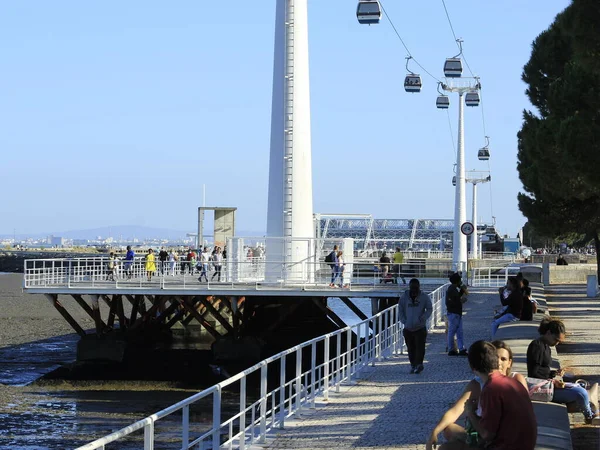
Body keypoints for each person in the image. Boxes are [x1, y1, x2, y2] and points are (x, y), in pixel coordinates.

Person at [426, 340, 528, 449]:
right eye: (496, 358)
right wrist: (435, 431)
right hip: (485, 434)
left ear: (510, 363)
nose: (498, 362)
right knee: (449, 429)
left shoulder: (515, 380)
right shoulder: (478, 383)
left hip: (498, 439)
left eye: (503, 359)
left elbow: (489, 434)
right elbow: (455, 410)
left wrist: (471, 412)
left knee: (448, 447)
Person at [463, 341, 537, 450]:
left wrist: (470, 413)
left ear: (473, 368)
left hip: (507, 446)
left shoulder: (491, 389)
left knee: (449, 447)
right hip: (527, 444)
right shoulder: (512, 382)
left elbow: (487, 435)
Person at [527, 318, 599, 423]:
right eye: (556, 340)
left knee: (580, 386)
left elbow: (542, 370)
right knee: (581, 393)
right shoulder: (537, 346)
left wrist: (553, 373)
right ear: (548, 333)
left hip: (547, 384)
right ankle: (590, 415)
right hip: (541, 388)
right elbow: (534, 373)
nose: (557, 344)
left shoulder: (546, 346)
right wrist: (552, 381)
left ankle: (591, 406)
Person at [398, 278, 432, 374]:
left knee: (420, 347)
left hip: (420, 327)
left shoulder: (424, 297)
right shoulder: (404, 297)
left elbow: (429, 308)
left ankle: (419, 364)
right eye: (412, 288)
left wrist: (423, 318)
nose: (414, 290)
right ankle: (413, 365)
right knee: (411, 348)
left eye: (416, 288)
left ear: (419, 287)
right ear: (409, 287)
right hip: (408, 328)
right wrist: (404, 320)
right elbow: (400, 309)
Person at [446, 273, 468, 356]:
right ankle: (453, 349)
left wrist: (462, 291)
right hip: (454, 313)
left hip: (455, 313)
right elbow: (456, 300)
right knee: (453, 332)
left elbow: (456, 298)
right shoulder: (452, 289)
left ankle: (459, 348)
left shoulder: (452, 288)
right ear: (457, 281)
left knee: (458, 332)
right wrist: (462, 300)